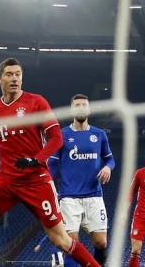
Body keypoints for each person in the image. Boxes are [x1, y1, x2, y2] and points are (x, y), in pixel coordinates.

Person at [0, 58, 101, 267]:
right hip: (5, 180)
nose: (15, 78)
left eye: (18, 74)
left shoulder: (36, 103)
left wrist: (37, 160)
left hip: (36, 181)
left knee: (59, 239)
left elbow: (57, 139)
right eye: (9, 74)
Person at [50, 94, 116, 266]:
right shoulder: (62, 135)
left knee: (101, 242)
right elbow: (52, 166)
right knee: (71, 244)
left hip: (94, 196)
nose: (80, 108)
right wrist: (48, 188)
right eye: (77, 105)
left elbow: (110, 159)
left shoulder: (99, 135)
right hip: (69, 197)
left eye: (83, 105)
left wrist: (108, 167)